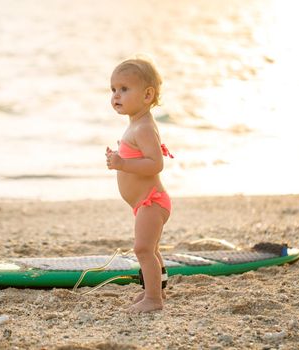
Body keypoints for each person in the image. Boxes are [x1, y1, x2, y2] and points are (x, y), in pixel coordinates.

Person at [105, 57, 174, 313]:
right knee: (151, 249)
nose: (116, 96)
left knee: (142, 248)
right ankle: (153, 290)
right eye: (113, 89)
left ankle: (154, 300)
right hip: (145, 203)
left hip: (152, 202)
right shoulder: (135, 125)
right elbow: (137, 157)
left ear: (147, 95)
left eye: (124, 89)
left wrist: (122, 164)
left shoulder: (143, 127)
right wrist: (120, 159)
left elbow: (155, 164)